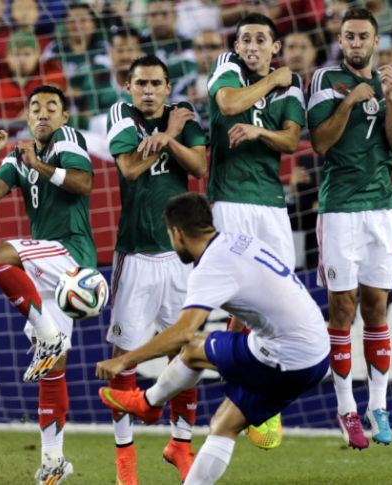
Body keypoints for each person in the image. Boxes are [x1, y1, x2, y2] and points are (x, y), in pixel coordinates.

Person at [96, 192, 330, 485]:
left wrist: (124, 361)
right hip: (317, 356)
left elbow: (183, 332)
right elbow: (249, 300)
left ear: (177, 233)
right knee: (224, 424)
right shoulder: (239, 242)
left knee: (194, 348)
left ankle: (148, 402)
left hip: (285, 354)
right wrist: (231, 346)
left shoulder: (211, 266)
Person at [0, 85, 96, 484]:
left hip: (70, 252)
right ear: (27, 117)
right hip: (46, 262)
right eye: (35, 108)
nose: (43, 113)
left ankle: (48, 335)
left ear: (64, 116)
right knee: (53, 368)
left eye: (51, 107)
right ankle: (53, 462)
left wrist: (38, 164)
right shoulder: (19, 154)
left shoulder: (68, 139)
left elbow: (83, 183)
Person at [307, 6, 392, 449]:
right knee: (342, 309)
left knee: (377, 308)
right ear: (340, 39)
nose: (355, 43)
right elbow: (320, 143)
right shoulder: (325, 80)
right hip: (339, 210)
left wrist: (388, 98)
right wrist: (349, 101)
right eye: (349, 35)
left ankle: (378, 406)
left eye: (362, 36)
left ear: (375, 40)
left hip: (380, 210)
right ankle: (347, 408)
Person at [105, 55, 207, 485]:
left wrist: (168, 139)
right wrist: (168, 136)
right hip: (136, 256)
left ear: (168, 87)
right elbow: (129, 168)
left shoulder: (184, 113)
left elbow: (199, 167)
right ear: (129, 87)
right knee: (123, 359)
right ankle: (125, 462)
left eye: (155, 83)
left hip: (179, 257)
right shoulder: (121, 114)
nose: (148, 90)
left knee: (186, 350)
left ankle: (180, 444)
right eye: (140, 83)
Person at [206, 12, 307, 444]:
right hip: (229, 199)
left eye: (260, 39)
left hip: (271, 205)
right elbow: (228, 105)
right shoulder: (227, 67)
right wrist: (271, 80)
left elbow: (291, 140)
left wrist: (258, 131)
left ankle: (257, 398)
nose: (251, 46)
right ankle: (239, 398)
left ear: (274, 47)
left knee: (279, 299)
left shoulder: (292, 84)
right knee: (239, 303)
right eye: (245, 39)